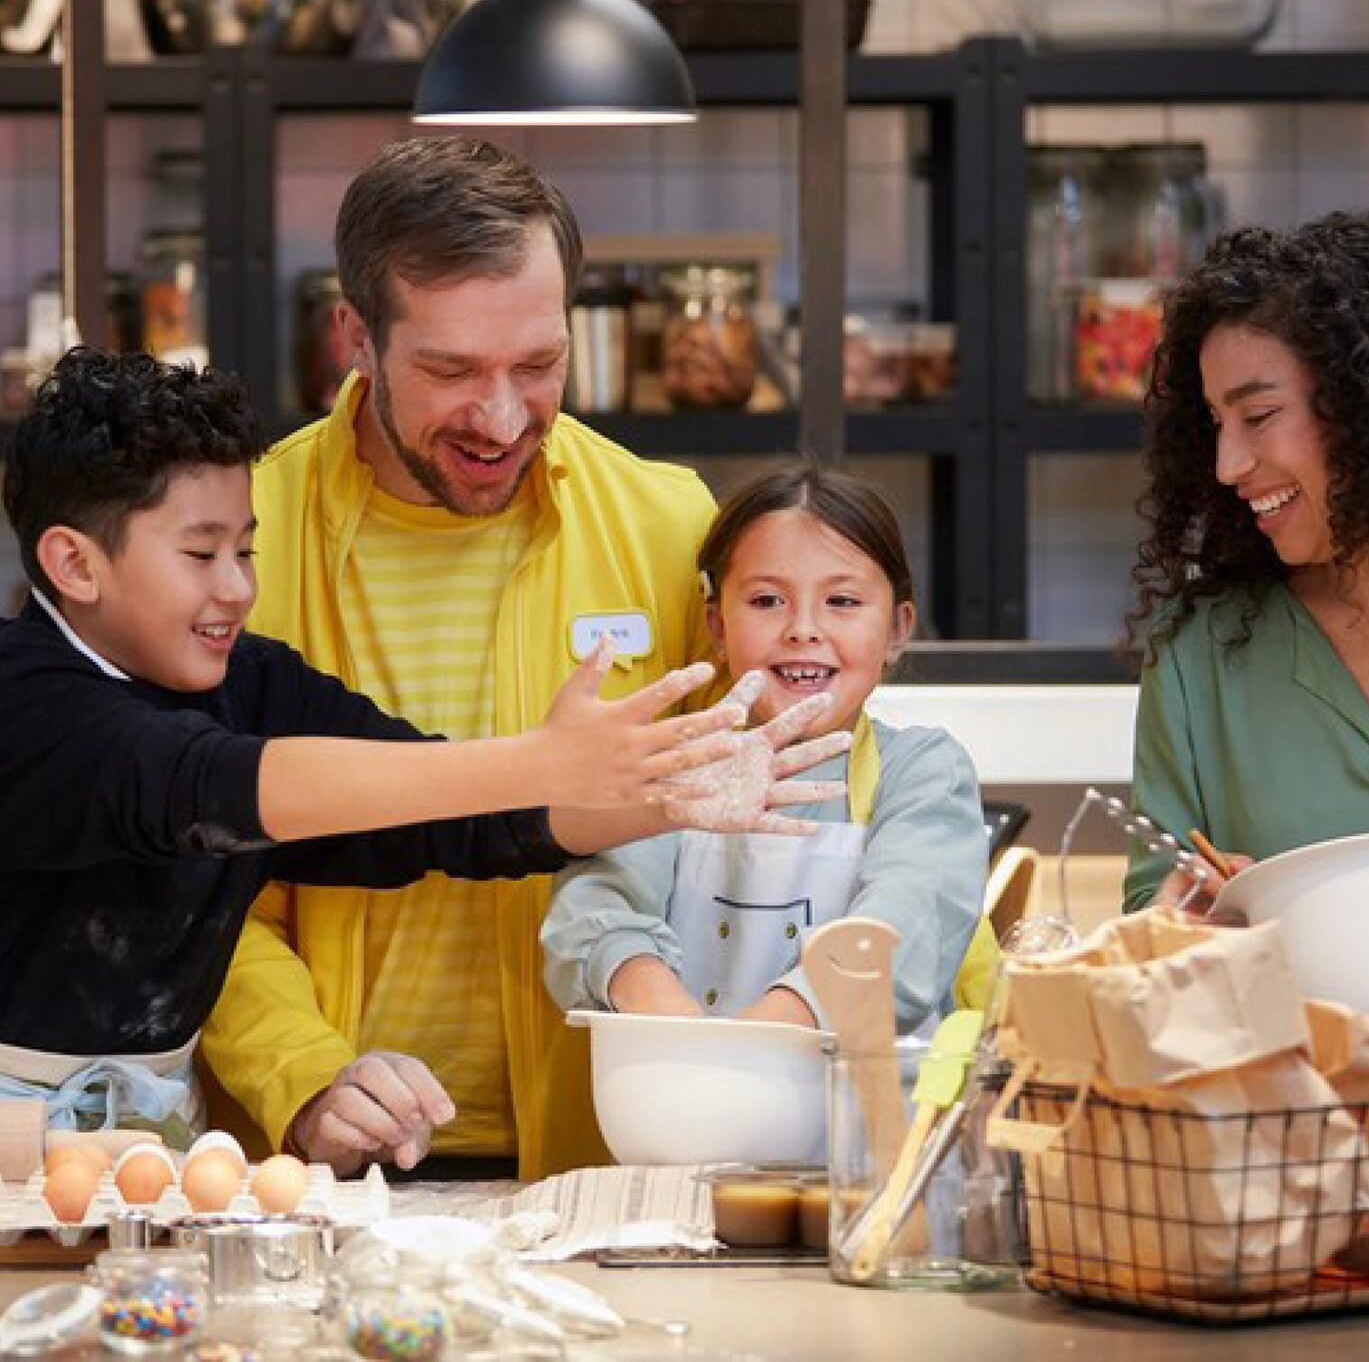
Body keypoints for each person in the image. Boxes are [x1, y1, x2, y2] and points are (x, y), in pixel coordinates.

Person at [0, 348, 846, 1146]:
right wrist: (542, 758)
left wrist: (653, 799)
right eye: (201, 554)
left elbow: (441, 816)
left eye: (247, 549)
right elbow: (209, 786)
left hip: (141, 1148)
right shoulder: (26, 698)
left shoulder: (248, 682)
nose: (238, 587)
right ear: (74, 565)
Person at [200, 136, 739, 1179]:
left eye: (536, 365)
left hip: (614, 1164)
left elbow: (749, 846)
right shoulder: (241, 536)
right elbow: (194, 875)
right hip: (313, 1177)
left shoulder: (672, 526)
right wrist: (303, 1072)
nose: (499, 418)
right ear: (355, 336)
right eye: (450, 370)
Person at [542, 467, 999, 1033]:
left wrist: (760, 1041)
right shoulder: (674, 763)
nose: (803, 629)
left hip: (873, 1119)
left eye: (842, 600)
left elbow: (906, 922)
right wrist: (667, 1012)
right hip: (685, 1104)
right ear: (716, 624)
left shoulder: (922, 773)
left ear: (899, 629)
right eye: (766, 600)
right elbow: (593, 909)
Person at [1124, 210, 1369, 912]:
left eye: (1259, 415)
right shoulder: (1198, 657)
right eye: (1216, 424)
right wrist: (1188, 918)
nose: (1227, 465)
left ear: (1368, 403)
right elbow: (1152, 914)